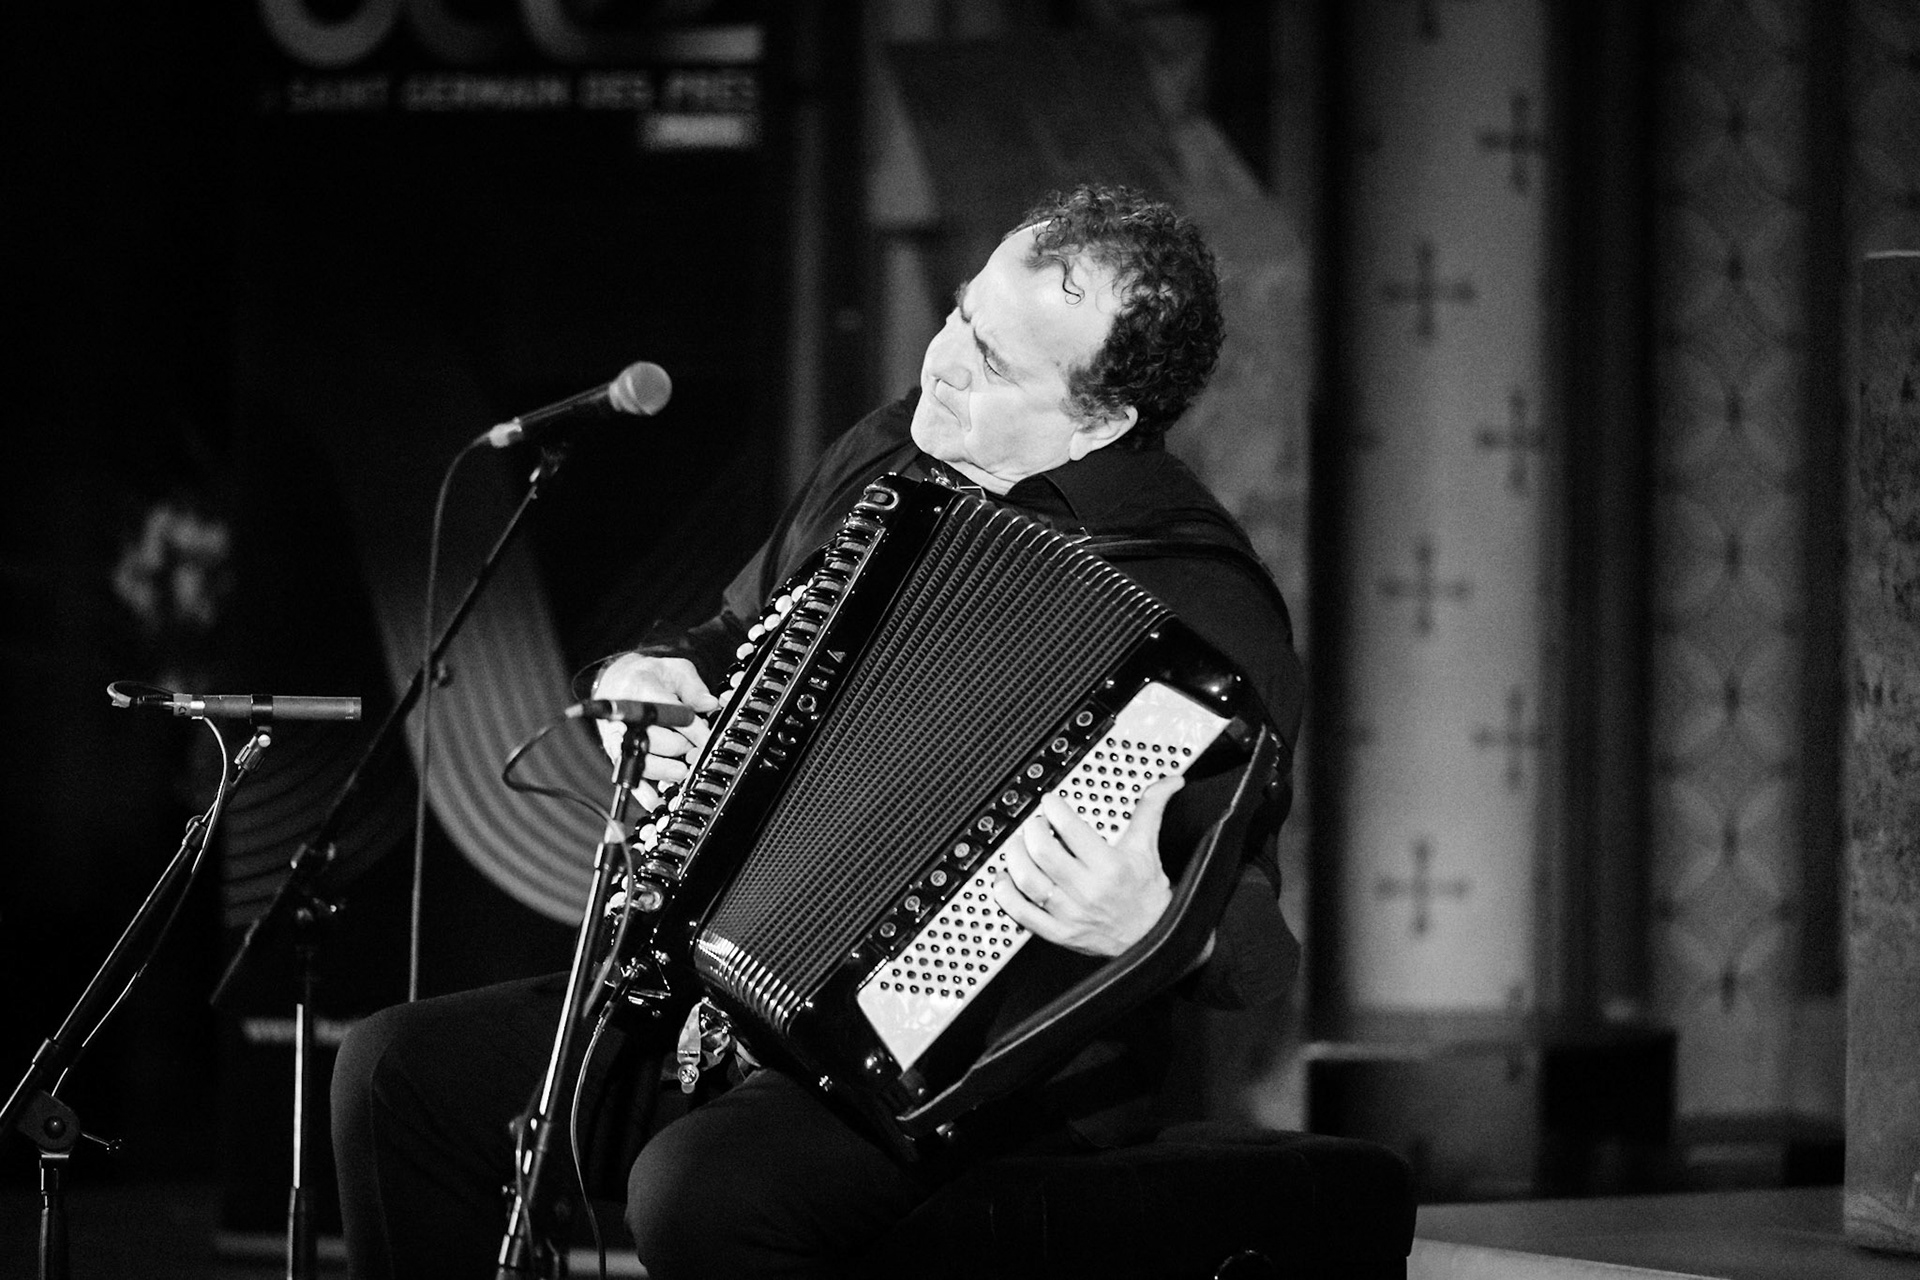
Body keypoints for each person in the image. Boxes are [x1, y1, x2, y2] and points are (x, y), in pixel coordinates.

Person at [331, 182, 1304, 1280]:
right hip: (728, 1001)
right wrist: (640, 680)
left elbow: (1259, 943)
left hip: (983, 1068)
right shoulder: (887, 455)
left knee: (700, 1189)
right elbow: (725, 638)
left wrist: (1163, 924)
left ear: (1102, 422)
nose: (944, 364)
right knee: (395, 1073)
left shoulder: (1200, 611)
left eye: (995, 366)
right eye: (959, 316)